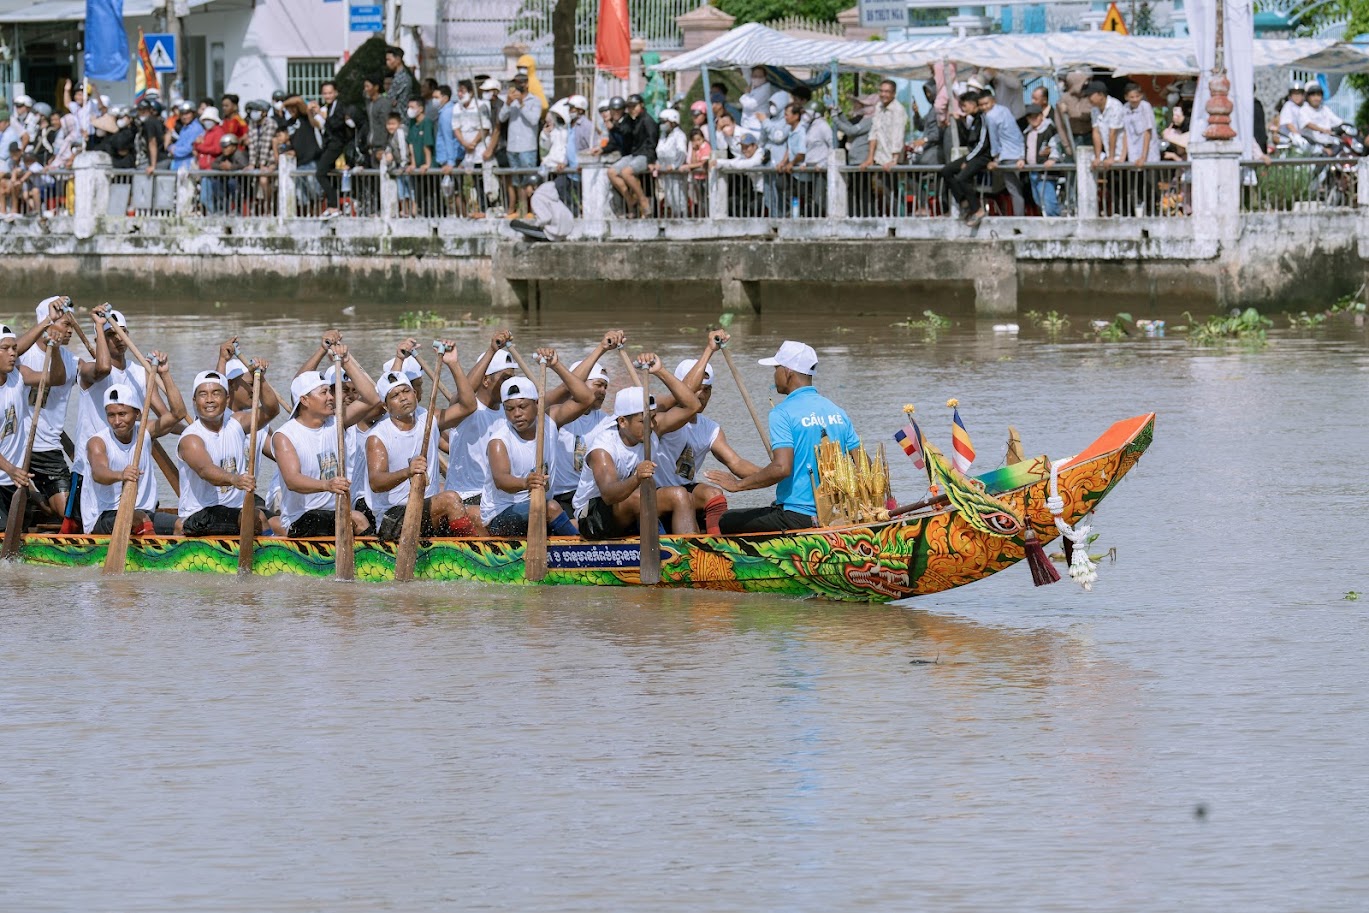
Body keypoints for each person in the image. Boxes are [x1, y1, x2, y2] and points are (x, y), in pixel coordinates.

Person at [706, 340, 859, 534]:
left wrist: (738, 485)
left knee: (726, 520)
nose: (774, 374)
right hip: (839, 513)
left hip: (799, 517)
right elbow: (862, 463)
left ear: (788, 372)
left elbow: (781, 468)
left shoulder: (783, 412)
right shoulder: (837, 411)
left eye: (776, 368)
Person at [570, 353, 702, 539]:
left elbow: (692, 406)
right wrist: (637, 477)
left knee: (682, 495)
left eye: (653, 418)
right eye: (643, 421)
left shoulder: (651, 429)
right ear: (622, 422)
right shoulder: (603, 448)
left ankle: (693, 553)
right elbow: (608, 494)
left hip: (630, 504)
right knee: (639, 497)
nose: (651, 425)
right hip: (593, 516)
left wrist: (660, 371)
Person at [365, 343, 478, 541]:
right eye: (395, 395)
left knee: (478, 512)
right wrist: (407, 472)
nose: (403, 398)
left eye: (406, 391)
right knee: (450, 498)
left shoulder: (429, 418)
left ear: (415, 394)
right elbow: (376, 482)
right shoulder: (378, 437)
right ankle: (470, 552)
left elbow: (468, 406)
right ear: (386, 405)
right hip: (393, 518)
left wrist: (453, 364)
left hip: (425, 511)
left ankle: (479, 549)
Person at [650, 333, 761, 535]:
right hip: (654, 494)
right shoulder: (660, 417)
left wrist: (776, 474)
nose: (701, 395)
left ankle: (716, 549)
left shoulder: (710, 428)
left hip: (684, 490)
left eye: (707, 390)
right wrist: (709, 350)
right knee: (680, 495)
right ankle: (694, 554)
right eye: (697, 388)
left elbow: (736, 463)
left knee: (714, 494)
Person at [481, 347, 595, 537]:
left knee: (573, 514)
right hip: (500, 515)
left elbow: (586, 398)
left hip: (537, 508)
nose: (516, 414)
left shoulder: (549, 422)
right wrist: (525, 482)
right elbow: (502, 480)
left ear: (537, 404)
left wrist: (556, 365)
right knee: (550, 507)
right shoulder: (499, 441)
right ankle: (578, 551)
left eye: (522, 406)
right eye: (509, 409)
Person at [272, 344, 379, 538]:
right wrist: (327, 485)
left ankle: (374, 561)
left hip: (335, 513)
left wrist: (346, 360)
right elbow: (292, 480)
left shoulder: (336, 423)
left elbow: (372, 399)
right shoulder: (285, 435)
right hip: (300, 519)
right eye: (324, 393)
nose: (331, 397)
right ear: (304, 400)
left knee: (357, 517)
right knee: (357, 518)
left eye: (330, 392)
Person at [176, 363, 279, 536]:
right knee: (257, 516)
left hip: (236, 511)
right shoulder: (191, 438)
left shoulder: (237, 423)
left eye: (216, 393)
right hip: (199, 515)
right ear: (194, 401)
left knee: (255, 517)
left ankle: (271, 556)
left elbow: (271, 410)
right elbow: (205, 470)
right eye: (203, 394)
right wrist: (235, 479)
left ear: (227, 398)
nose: (209, 400)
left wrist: (260, 379)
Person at [83, 367, 185, 535]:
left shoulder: (145, 431)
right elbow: (99, 473)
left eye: (122, 414)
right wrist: (121, 475)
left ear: (137, 414)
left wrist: (165, 374)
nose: (116, 421)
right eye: (111, 415)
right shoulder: (98, 442)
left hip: (144, 513)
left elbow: (178, 413)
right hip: (104, 517)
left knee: (181, 525)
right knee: (139, 518)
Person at [0, 302, 68, 531]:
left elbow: (56, 378)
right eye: (6, 349)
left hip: (14, 481)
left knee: (21, 528)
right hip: (6, 475)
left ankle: (33, 497)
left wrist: (49, 322)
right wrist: (9, 468)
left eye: (14, 349)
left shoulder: (16, 379)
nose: (13, 353)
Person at [443, 329, 516, 532]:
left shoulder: (511, 411)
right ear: (485, 380)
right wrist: (491, 351)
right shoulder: (466, 408)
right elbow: (463, 394)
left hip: (498, 494)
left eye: (512, 379)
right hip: (468, 495)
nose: (509, 385)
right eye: (504, 379)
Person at [546, 330, 623, 517]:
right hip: (561, 496)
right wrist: (602, 348)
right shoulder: (556, 416)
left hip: (592, 496)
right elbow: (567, 387)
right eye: (598, 384)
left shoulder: (607, 422)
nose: (603, 391)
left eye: (606, 386)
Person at [16, 299, 79, 520]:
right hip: (18, 445)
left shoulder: (70, 360)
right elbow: (11, 351)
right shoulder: (21, 354)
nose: (70, 331)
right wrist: (47, 321)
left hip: (48, 447)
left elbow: (59, 377)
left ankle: (35, 496)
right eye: (64, 324)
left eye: (72, 325)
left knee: (64, 511)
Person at [942, 89, 991, 226]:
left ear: (972, 104)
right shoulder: (972, 120)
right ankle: (964, 202)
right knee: (947, 170)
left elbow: (982, 143)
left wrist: (968, 160)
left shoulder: (983, 118)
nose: (963, 109)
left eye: (964, 105)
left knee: (962, 177)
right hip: (972, 154)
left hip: (982, 156)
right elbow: (967, 139)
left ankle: (977, 209)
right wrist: (959, 122)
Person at [608, 94, 659, 218]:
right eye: (629, 107)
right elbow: (625, 131)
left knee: (626, 172)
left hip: (645, 155)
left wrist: (651, 160)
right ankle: (630, 199)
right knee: (611, 172)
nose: (632, 109)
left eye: (634, 106)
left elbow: (653, 141)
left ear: (641, 105)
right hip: (635, 154)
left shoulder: (647, 120)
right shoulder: (632, 120)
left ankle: (643, 200)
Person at [861, 80, 906, 217]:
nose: (883, 94)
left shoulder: (898, 110)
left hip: (892, 158)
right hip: (880, 157)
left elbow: (898, 135)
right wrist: (870, 158)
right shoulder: (879, 107)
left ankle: (899, 221)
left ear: (893, 93)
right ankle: (889, 220)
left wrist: (894, 160)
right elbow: (873, 132)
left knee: (893, 192)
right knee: (882, 192)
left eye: (887, 91)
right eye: (881, 91)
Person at [980, 87, 1027, 217]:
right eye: (981, 105)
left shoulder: (990, 116)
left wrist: (995, 158)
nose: (984, 107)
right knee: (1016, 188)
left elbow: (994, 140)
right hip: (1018, 152)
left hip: (1006, 155)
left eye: (986, 104)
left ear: (992, 101)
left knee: (1013, 189)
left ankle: (1019, 218)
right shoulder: (1004, 110)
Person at [499, 79, 542, 218]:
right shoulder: (511, 102)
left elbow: (534, 120)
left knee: (530, 181)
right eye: (516, 83)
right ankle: (522, 210)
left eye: (521, 83)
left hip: (527, 147)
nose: (518, 86)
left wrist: (522, 104)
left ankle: (533, 210)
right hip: (513, 147)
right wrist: (508, 103)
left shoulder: (535, 101)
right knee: (517, 182)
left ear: (527, 84)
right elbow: (501, 118)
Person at [1019, 103, 1064, 217]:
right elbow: (1023, 148)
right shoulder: (1027, 132)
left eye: (1035, 116)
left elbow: (1057, 145)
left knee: (1049, 201)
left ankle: (1056, 225)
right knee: (1038, 200)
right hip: (1032, 171)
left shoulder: (1050, 129)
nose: (1033, 119)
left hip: (1046, 172)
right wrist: (1021, 159)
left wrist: (1053, 159)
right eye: (1030, 117)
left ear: (1041, 115)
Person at [316, 81, 351, 218]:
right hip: (329, 144)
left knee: (320, 173)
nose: (327, 95)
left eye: (330, 93)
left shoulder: (340, 107)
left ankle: (334, 204)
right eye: (325, 93)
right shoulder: (328, 107)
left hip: (337, 144)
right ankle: (332, 206)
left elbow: (337, 124)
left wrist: (324, 116)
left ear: (336, 93)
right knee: (329, 174)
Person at [509, 178, 574, 242]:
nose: (525, 191)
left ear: (534, 186)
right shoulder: (551, 193)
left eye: (526, 187)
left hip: (552, 234)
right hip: (565, 231)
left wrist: (535, 225)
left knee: (514, 224)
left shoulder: (536, 197)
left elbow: (545, 218)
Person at [653, 108, 689, 216]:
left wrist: (674, 166)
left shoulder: (679, 135)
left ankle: (683, 219)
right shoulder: (663, 135)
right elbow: (660, 151)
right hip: (665, 173)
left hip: (675, 173)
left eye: (665, 122)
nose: (662, 124)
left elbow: (682, 152)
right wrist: (658, 163)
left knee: (679, 198)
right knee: (669, 199)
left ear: (673, 122)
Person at [1300, 82, 1343, 151]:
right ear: (1307, 97)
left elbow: (1338, 121)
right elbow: (1307, 124)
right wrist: (1323, 130)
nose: (1316, 98)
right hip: (1313, 146)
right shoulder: (1303, 110)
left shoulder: (1324, 109)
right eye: (1313, 95)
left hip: (1329, 143)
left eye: (1318, 95)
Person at [385, 46, 414, 113]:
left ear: (398, 59)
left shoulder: (402, 78)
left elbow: (389, 100)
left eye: (389, 59)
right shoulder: (397, 76)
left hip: (400, 118)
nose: (387, 63)